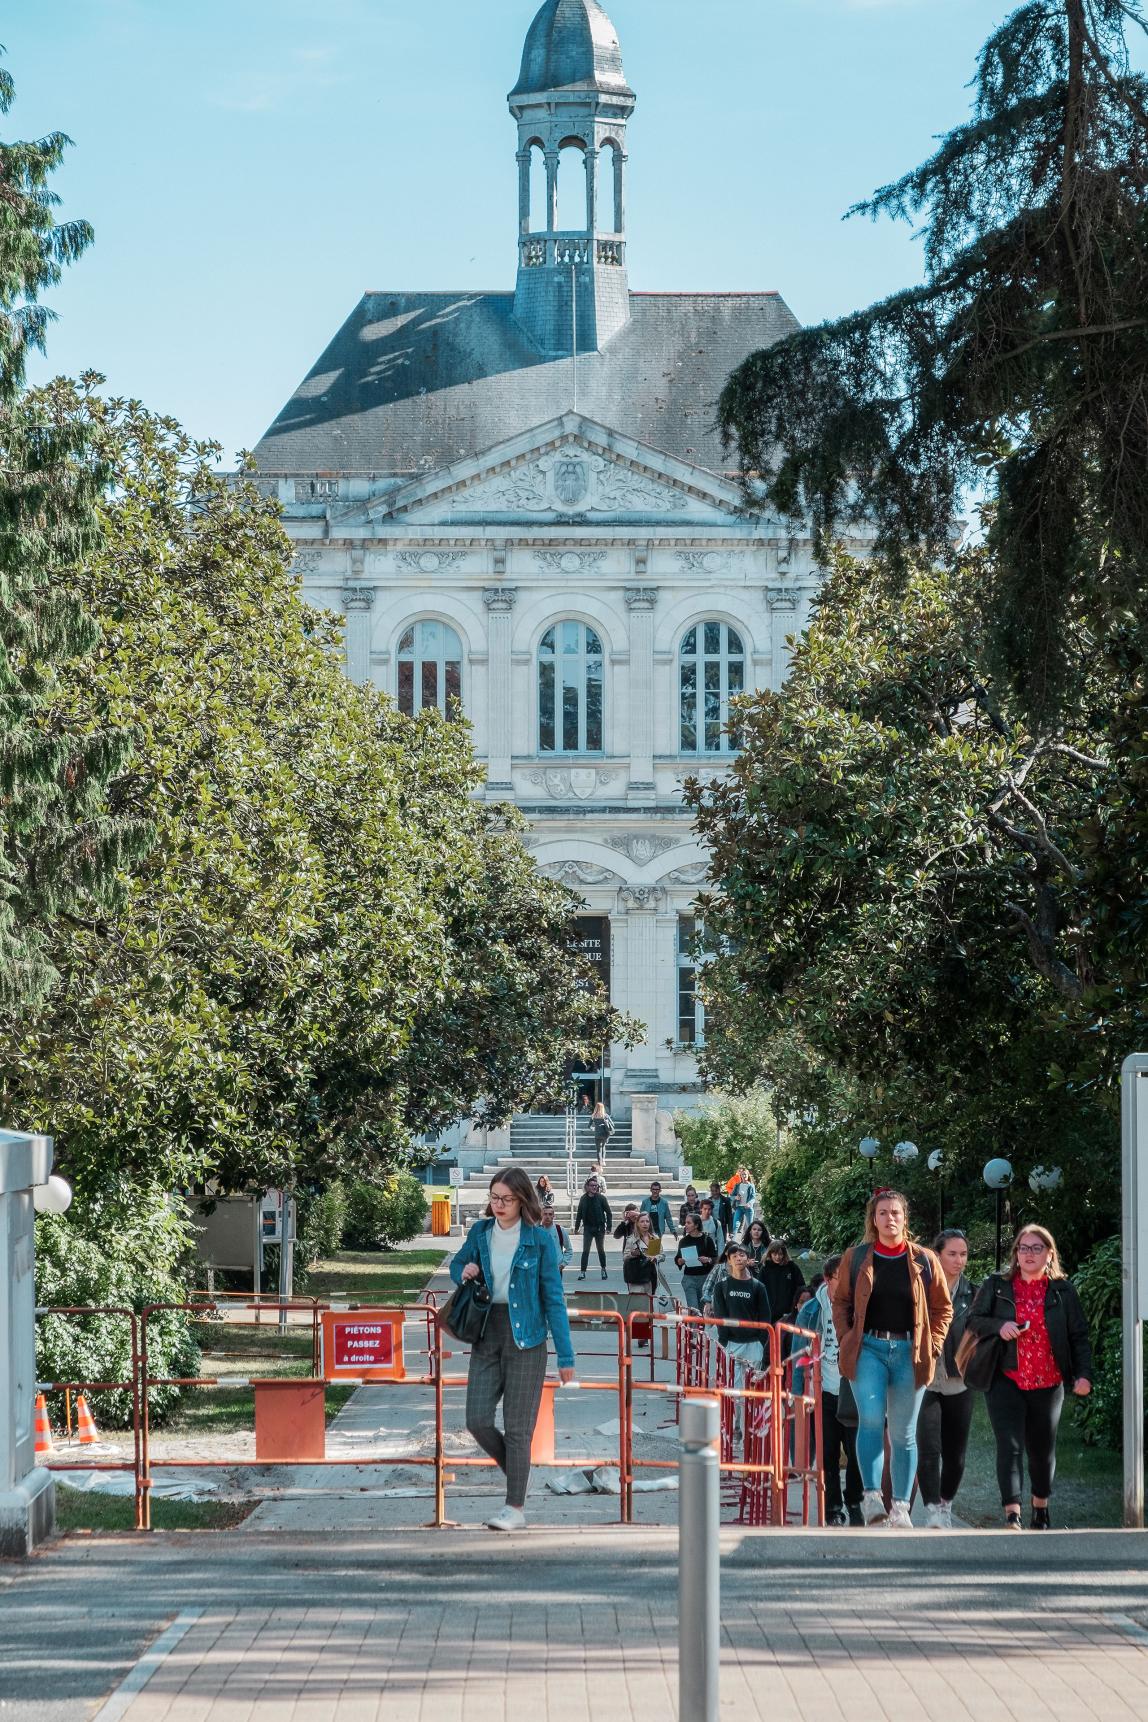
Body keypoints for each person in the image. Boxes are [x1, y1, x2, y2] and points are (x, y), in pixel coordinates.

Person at [450, 1167, 575, 1531]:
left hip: (528, 1339)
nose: (499, 1204)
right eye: (494, 1197)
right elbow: (458, 1264)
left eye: (506, 1198)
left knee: (518, 1429)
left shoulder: (540, 1240)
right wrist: (465, 1269)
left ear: (522, 1200)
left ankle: (514, 1507)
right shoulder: (480, 1232)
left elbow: (553, 1299)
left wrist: (566, 1356)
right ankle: (519, 1472)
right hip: (487, 1333)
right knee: (477, 1420)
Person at [832, 1190, 953, 1528]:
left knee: (904, 1433)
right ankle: (872, 1497)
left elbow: (943, 1308)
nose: (890, 1219)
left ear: (905, 1218)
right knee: (870, 1420)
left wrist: (933, 1346)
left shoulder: (925, 1260)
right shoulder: (856, 1257)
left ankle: (900, 1506)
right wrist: (845, 1338)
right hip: (868, 1348)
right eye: (883, 1213)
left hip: (910, 1353)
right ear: (874, 1219)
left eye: (896, 1212)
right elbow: (840, 1301)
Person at [967, 1223, 1092, 1529]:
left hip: (1048, 1382)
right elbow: (973, 1320)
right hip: (1005, 1377)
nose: (1029, 1254)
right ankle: (1013, 1513)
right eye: (1024, 1248)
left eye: (1037, 1248)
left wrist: (1083, 1375)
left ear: (1049, 1254)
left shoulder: (1063, 1291)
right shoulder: (997, 1285)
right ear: (1016, 1253)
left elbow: (1078, 1335)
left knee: (1041, 1448)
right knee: (1008, 1445)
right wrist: (1000, 1326)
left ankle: (1040, 1507)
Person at [794, 1254, 863, 1527]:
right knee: (828, 1455)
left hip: (854, 1391)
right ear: (828, 1280)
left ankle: (856, 1502)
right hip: (822, 1392)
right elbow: (798, 1353)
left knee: (858, 1454)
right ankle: (832, 1509)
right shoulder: (811, 1310)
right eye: (841, 1279)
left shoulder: (859, 1306)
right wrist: (800, 1393)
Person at [916, 1228, 977, 1529]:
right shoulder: (920, 1289)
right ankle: (931, 1511)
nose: (959, 1260)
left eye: (963, 1254)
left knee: (956, 1455)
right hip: (924, 1380)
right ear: (936, 1255)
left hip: (959, 1381)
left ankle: (946, 1502)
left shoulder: (974, 1294)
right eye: (952, 1253)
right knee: (928, 1450)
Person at [712, 1239, 772, 1440]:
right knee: (734, 1389)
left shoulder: (758, 1286)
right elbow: (720, 1317)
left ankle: (750, 1428)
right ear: (728, 1260)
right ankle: (735, 1426)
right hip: (732, 1345)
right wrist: (725, 1342)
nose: (739, 1258)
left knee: (751, 1389)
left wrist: (761, 1343)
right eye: (734, 1255)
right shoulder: (721, 1287)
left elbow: (765, 1318)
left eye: (742, 1255)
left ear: (748, 1259)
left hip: (753, 1344)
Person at [674, 1213, 718, 1312]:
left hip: (705, 1278)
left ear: (696, 1225)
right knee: (694, 1309)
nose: (686, 1225)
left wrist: (708, 1259)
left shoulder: (707, 1240)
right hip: (689, 1278)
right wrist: (679, 1261)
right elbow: (678, 1257)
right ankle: (693, 1327)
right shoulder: (684, 1241)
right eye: (685, 1222)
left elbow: (715, 1258)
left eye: (689, 1223)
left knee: (702, 1310)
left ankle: (699, 1328)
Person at [758, 1240, 807, 1325]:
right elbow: (759, 1288)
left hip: (788, 1309)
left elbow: (801, 1285)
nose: (778, 1257)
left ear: (784, 1254)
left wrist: (797, 1302)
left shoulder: (792, 1267)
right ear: (770, 1254)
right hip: (770, 1309)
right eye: (775, 1254)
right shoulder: (765, 1268)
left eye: (780, 1254)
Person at [573, 1176, 612, 1280]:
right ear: (587, 1187)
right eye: (592, 1185)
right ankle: (582, 1272)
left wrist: (609, 1227)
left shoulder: (601, 1198)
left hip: (599, 1228)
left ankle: (603, 1269)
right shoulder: (583, 1198)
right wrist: (576, 1228)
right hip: (588, 1228)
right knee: (585, 1250)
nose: (594, 1187)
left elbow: (608, 1213)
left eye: (596, 1185)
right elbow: (579, 1214)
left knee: (601, 1250)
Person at [540, 1205, 573, 1274]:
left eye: (550, 1214)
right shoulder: (536, 1231)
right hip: (540, 1270)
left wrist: (562, 1264)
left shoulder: (560, 1230)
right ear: (541, 1215)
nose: (547, 1217)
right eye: (545, 1214)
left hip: (556, 1270)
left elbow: (569, 1249)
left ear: (553, 1216)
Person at [731, 1167, 758, 1237]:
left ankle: (751, 1241)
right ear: (741, 1176)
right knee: (735, 1224)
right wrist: (735, 1197)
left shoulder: (751, 1186)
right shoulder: (737, 1185)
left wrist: (749, 1203)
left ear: (748, 1175)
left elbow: (753, 1197)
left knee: (750, 1226)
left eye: (745, 1174)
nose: (744, 1176)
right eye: (743, 1174)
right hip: (739, 1207)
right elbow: (731, 1196)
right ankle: (733, 1241)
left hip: (748, 1208)